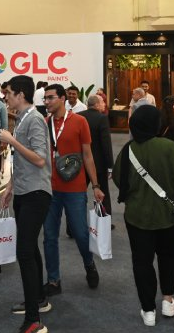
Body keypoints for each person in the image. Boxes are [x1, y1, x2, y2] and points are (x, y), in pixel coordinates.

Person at [113, 105, 174, 327]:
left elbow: (118, 179)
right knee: (168, 256)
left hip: (137, 216)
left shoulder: (128, 150)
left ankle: (148, 310)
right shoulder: (169, 147)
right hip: (168, 215)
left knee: (142, 261)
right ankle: (168, 300)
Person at [0, 75, 53, 333]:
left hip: (36, 193)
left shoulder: (34, 120)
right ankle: (39, 299)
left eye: (9, 93)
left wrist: (12, 141)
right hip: (23, 191)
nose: (6, 97)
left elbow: (40, 159)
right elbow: (22, 161)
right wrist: (10, 186)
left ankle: (34, 320)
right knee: (29, 248)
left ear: (21, 94)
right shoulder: (22, 118)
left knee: (24, 252)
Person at [42, 84, 103, 296]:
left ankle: (89, 264)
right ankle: (53, 280)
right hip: (49, 189)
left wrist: (95, 185)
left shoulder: (79, 121)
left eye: (50, 98)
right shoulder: (45, 123)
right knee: (49, 235)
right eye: (45, 98)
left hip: (74, 188)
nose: (46, 102)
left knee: (80, 233)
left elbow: (87, 155)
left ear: (62, 99)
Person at [79, 94, 114, 216]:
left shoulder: (78, 116)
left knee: (78, 194)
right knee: (102, 193)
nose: (104, 104)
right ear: (97, 104)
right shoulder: (102, 118)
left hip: (81, 162)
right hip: (98, 164)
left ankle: (74, 223)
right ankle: (103, 221)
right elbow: (106, 144)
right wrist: (110, 166)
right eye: (103, 102)